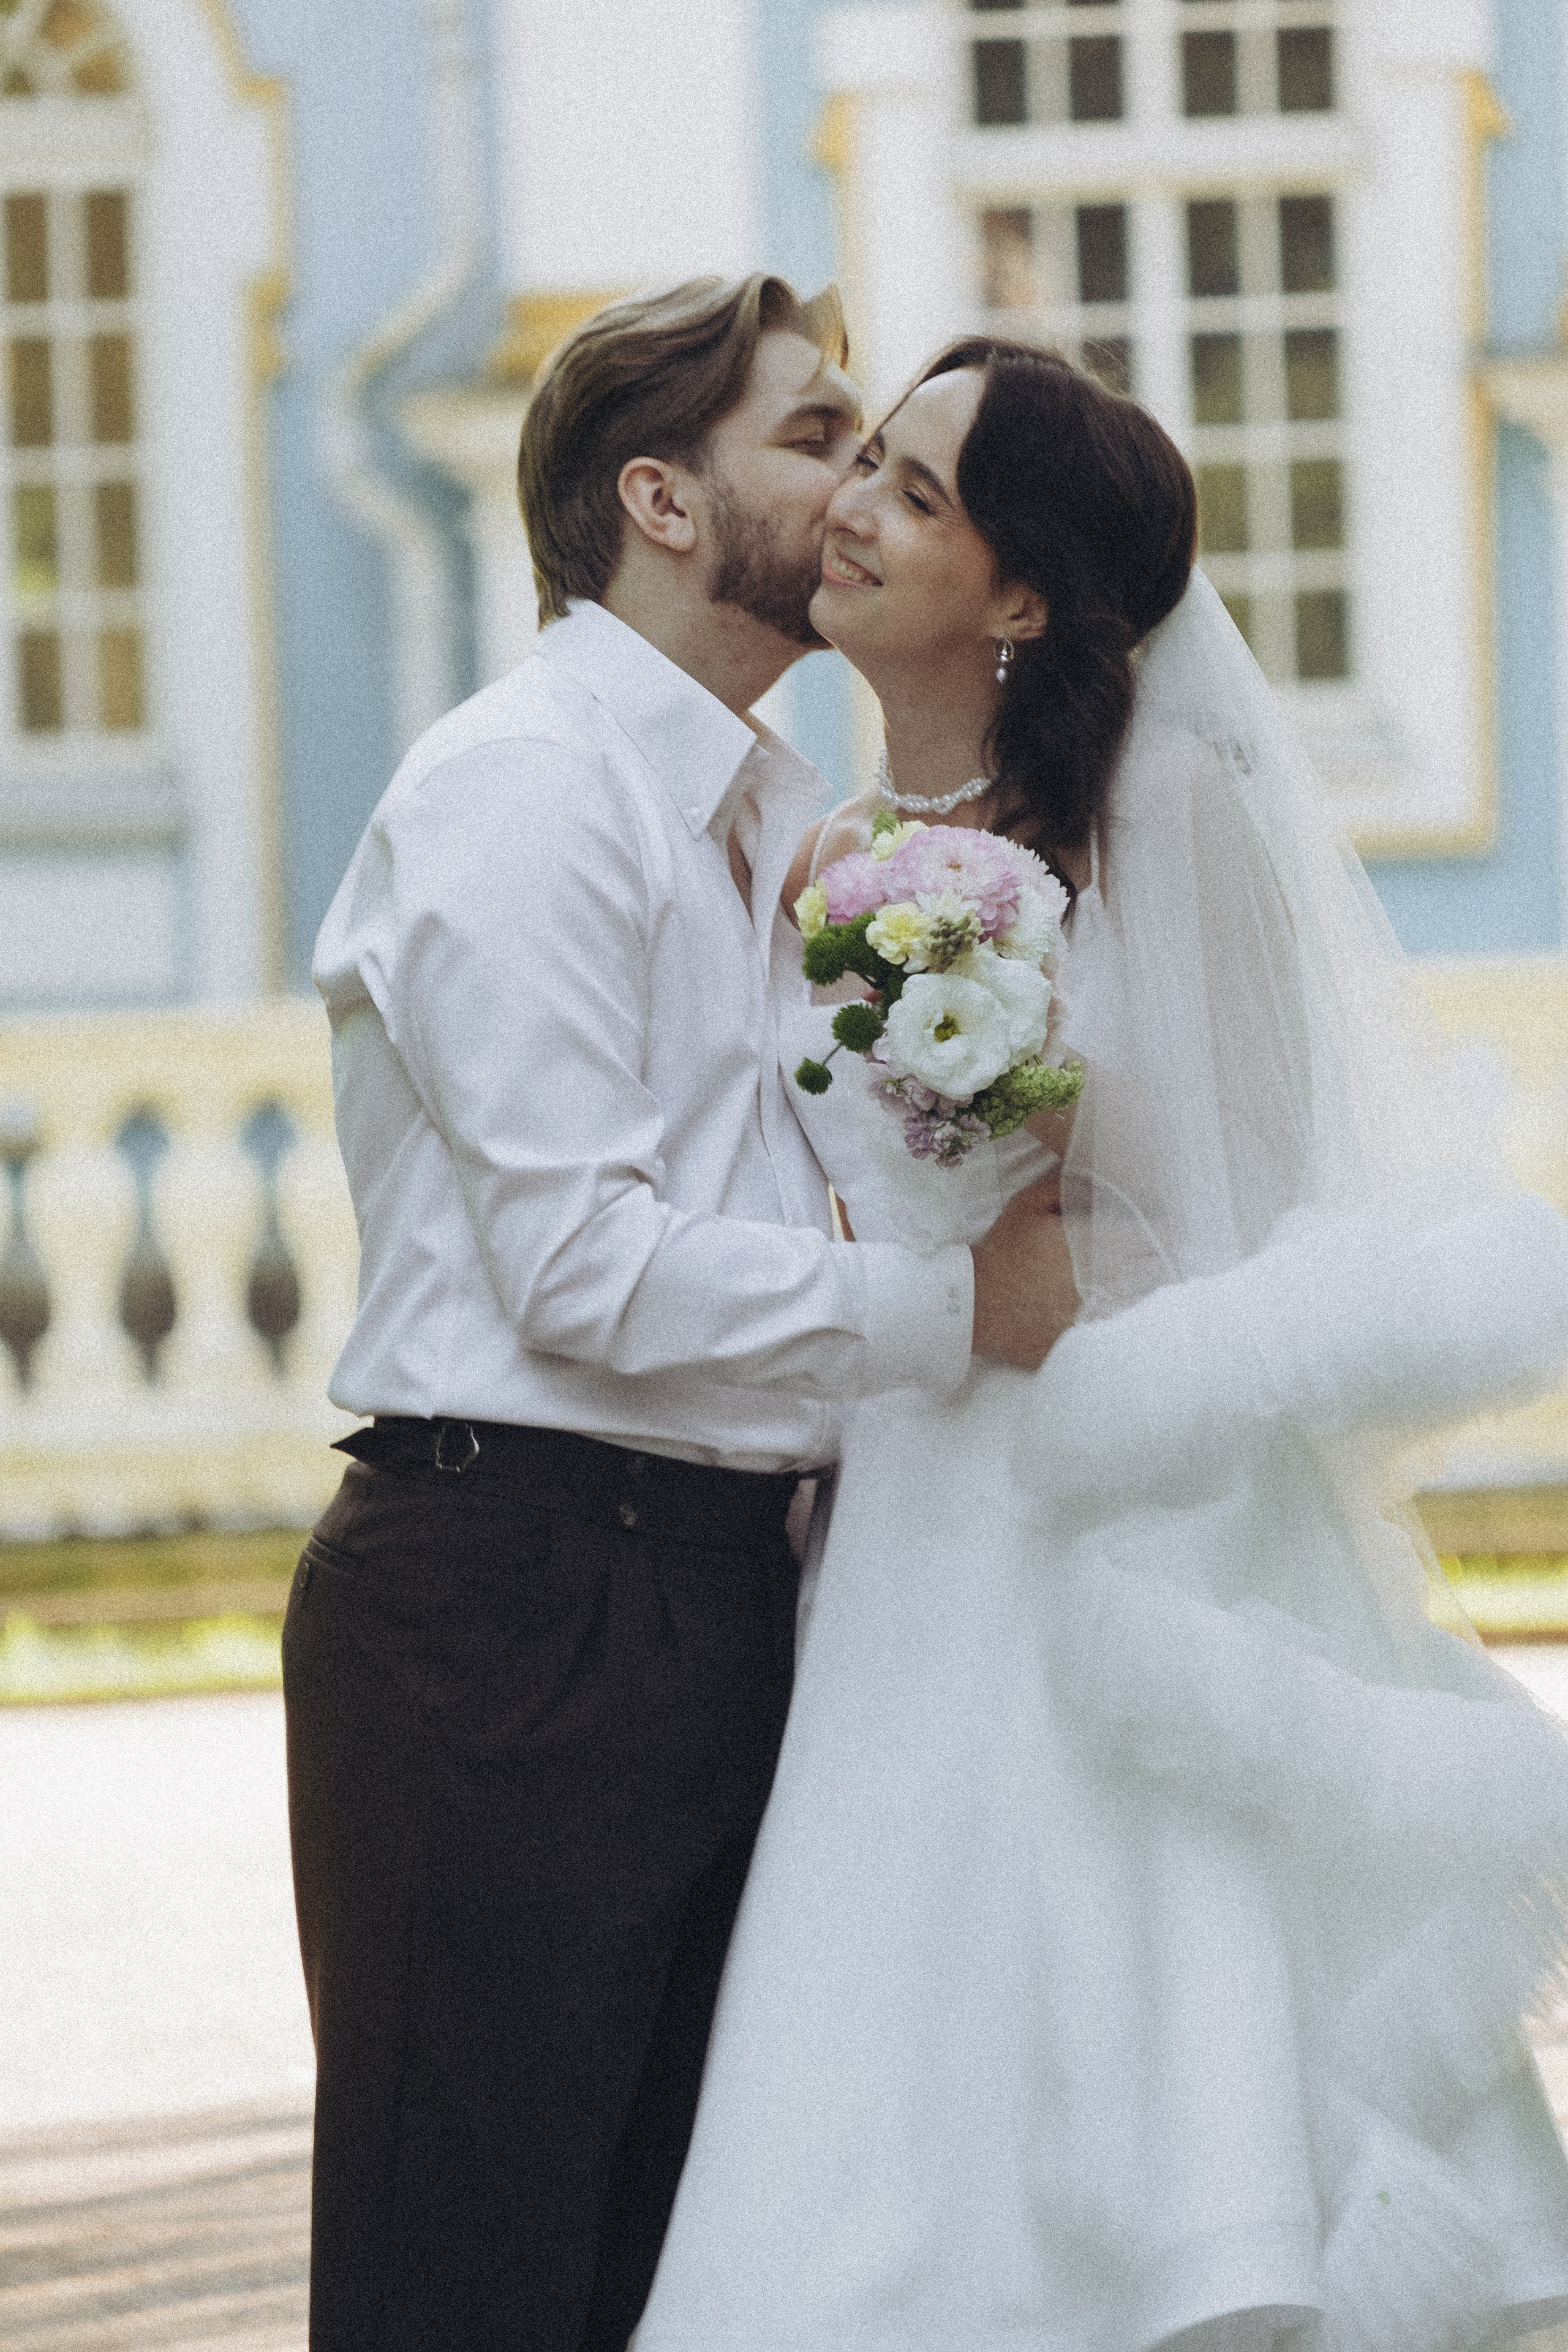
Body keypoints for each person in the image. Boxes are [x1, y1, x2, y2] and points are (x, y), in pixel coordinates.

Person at [630, 343, 1568, 2352]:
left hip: (1128, 1514)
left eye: (916, 492)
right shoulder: (825, 855)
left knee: (1158, 2002)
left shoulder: (1170, 804)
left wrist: (1044, 1190)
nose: (855, 512)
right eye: (860, 462)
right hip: (899, 1514)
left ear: (1025, 591)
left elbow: (1266, 1202)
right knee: (886, 2010)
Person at [284, 281, 1078, 2352]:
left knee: (662, 2284)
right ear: (657, 494)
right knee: (470, 2275)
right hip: (511, 1605)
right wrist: (954, 1310)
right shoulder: (523, 793)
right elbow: (585, 1269)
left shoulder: (766, 817)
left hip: (711, 1595)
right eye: (815, 437)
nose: (851, 494)